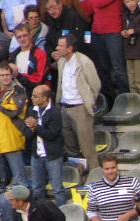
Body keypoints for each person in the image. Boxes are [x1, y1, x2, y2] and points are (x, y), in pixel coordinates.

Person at [55, 34, 100, 170]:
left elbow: (95, 84)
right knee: (70, 146)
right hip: (64, 107)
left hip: (80, 108)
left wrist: (89, 102)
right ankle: (78, 174)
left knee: (87, 147)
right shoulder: (61, 61)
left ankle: (94, 175)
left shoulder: (84, 61)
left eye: (61, 46)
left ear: (70, 48)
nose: (57, 48)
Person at [24, 83, 66, 206]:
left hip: (52, 156)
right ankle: (40, 214)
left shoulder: (55, 113)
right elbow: (26, 132)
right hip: (36, 155)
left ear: (45, 98)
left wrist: (36, 127)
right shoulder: (32, 110)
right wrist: (32, 129)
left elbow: (51, 135)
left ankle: (61, 215)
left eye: (36, 96)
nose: (32, 98)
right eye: (32, 96)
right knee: (37, 188)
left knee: (57, 189)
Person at [81, 0, 128, 103]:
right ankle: (110, 101)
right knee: (102, 69)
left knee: (118, 68)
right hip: (97, 32)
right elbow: (85, 9)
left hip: (113, 31)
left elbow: (99, 3)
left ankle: (125, 100)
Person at [9, 22, 50, 98]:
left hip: (34, 96)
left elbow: (38, 80)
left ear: (30, 35)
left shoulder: (40, 54)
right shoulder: (13, 55)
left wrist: (18, 75)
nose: (22, 39)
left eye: (25, 35)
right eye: (19, 37)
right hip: (16, 96)